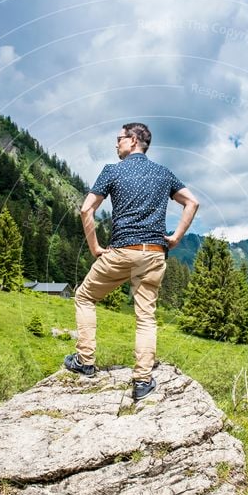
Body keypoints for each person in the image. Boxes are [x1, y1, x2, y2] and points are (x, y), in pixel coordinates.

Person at [65, 122, 199, 400]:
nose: (116, 144)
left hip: (120, 251)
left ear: (134, 140)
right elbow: (192, 202)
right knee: (146, 318)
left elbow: (85, 209)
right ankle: (142, 381)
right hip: (152, 253)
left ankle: (85, 361)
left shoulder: (112, 171)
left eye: (120, 139)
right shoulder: (164, 173)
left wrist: (95, 247)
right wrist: (175, 237)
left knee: (84, 297)